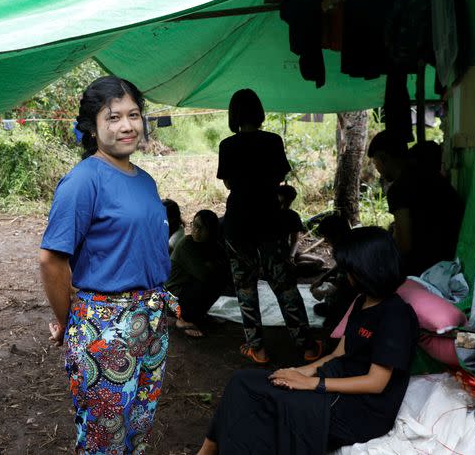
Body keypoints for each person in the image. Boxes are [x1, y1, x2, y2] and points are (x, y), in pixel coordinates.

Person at [39, 76, 175, 454]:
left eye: (134, 115)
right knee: (105, 438)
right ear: (92, 127)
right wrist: (72, 322)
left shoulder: (145, 181)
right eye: (113, 117)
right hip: (104, 328)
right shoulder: (83, 182)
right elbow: (51, 259)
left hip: (151, 321)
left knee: (139, 427)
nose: (127, 125)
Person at [198, 227, 419, 455]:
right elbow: (337, 354)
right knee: (242, 381)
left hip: (359, 410)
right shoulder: (362, 300)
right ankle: (206, 452)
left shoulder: (396, 316)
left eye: (349, 268)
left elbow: (376, 382)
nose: (345, 274)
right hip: (334, 384)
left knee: (270, 404)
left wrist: (312, 383)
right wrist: (300, 371)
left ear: (368, 268)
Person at [217, 88, 319, 364]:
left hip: (237, 224)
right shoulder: (273, 141)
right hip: (269, 221)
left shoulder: (228, 145)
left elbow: (228, 183)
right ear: (259, 113)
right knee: (284, 285)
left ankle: (257, 349)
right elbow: (279, 176)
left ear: (234, 115)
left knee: (245, 288)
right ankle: (307, 346)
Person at [367, 131, 464, 277]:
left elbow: (404, 244)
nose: (377, 170)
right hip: (451, 254)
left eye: (376, 163)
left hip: (428, 266)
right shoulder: (430, 175)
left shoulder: (399, 188)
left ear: (383, 158)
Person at [166, 209, 232, 337]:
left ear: (211, 231)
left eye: (201, 227)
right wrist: (212, 266)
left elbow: (226, 269)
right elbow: (205, 275)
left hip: (186, 291)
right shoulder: (186, 244)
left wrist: (212, 267)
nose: (196, 230)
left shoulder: (215, 246)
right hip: (173, 296)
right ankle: (183, 320)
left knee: (220, 280)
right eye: (194, 225)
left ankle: (199, 314)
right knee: (205, 282)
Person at [309, 215, 356, 334]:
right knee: (320, 308)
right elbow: (340, 266)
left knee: (331, 324)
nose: (325, 240)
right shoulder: (340, 247)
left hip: (356, 293)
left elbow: (354, 279)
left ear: (336, 235)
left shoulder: (353, 248)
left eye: (326, 237)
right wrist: (322, 278)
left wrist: (332, 290)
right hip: (346, 289)